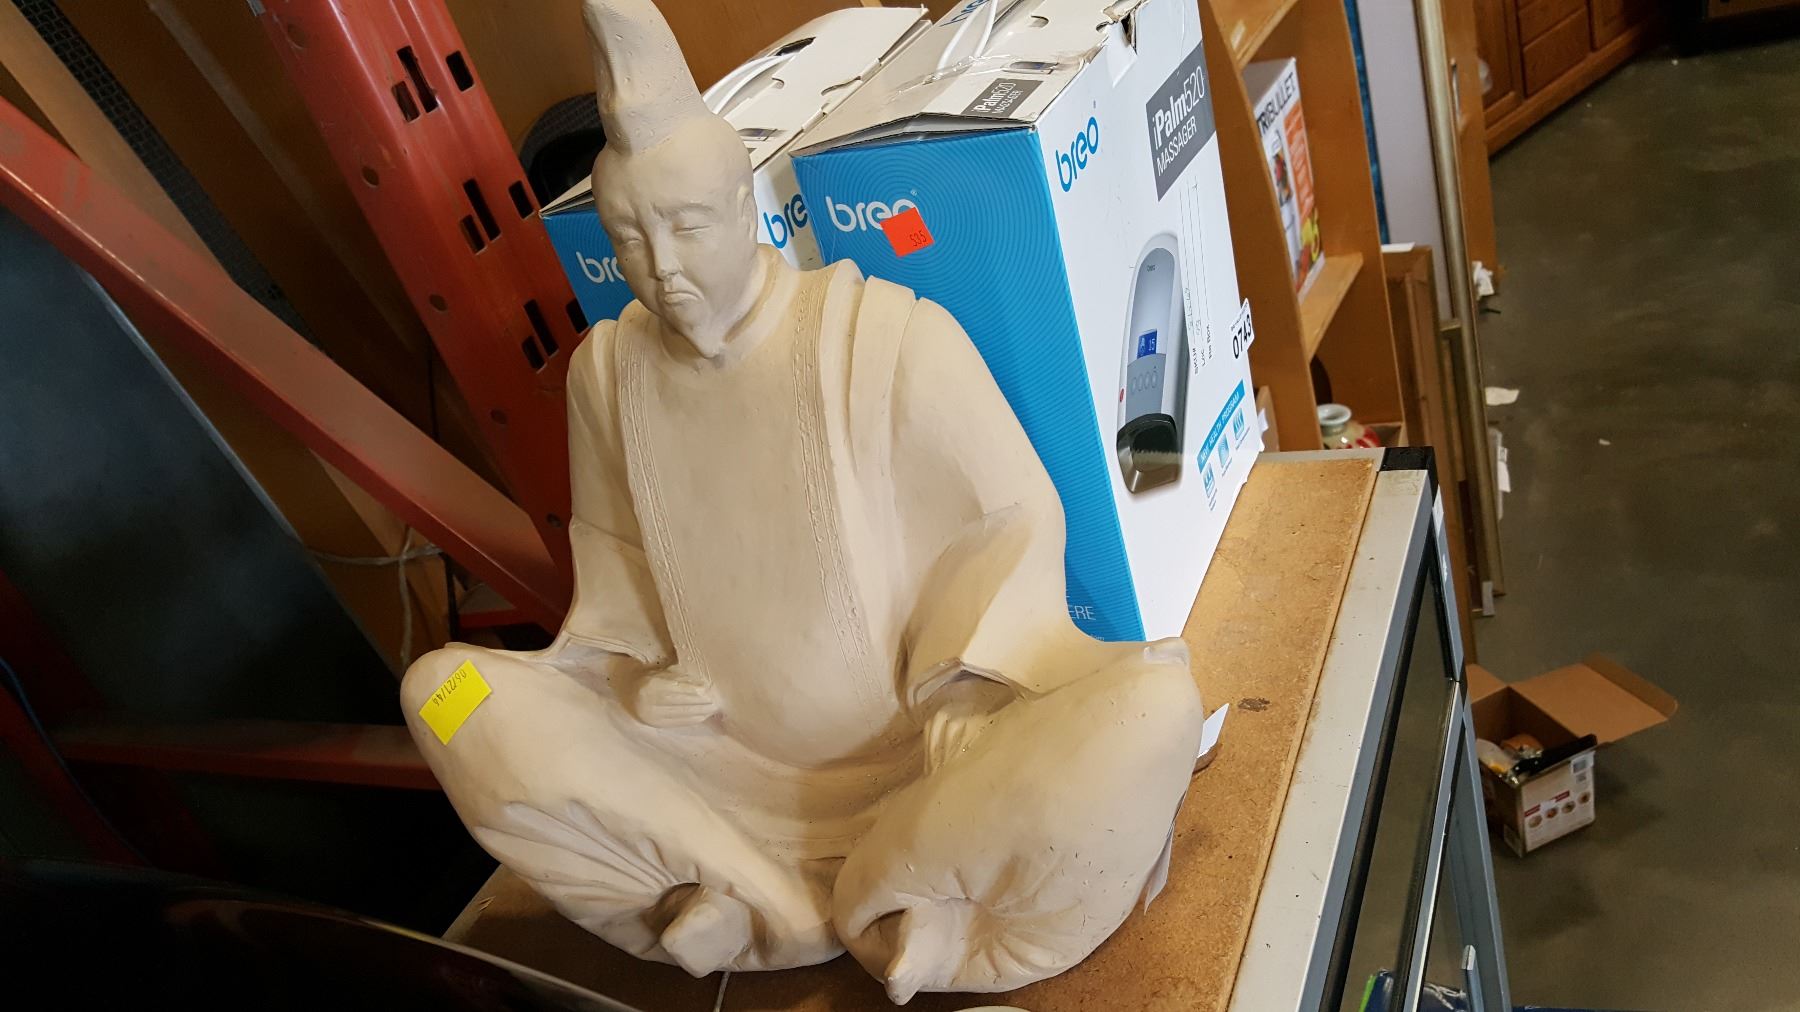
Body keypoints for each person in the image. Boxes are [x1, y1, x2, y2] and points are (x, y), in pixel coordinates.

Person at [400, 1, 1208, 1001]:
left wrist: (962, 689)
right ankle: (760, 893)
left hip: (921, 765)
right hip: (713, 774)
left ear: (742, 209)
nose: (662, 265)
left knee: (1152, 712)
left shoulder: (879, 335)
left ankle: (901, 883)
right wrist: (638, 684)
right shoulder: (605, 377)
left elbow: (1015, 519)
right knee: (446, 697)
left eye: (687, 226)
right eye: (631, 238)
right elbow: (613, 584)